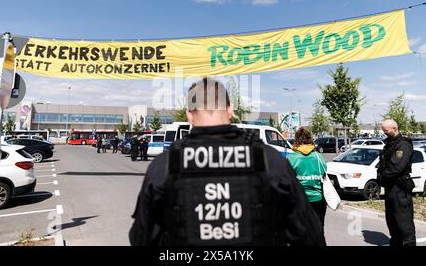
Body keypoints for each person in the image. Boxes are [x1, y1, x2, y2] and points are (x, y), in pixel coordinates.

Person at [129, 78, 325, 246]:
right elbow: (310, 235)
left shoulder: (164, 165)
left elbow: (141, 238)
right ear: (230, 110)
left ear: (189, 114)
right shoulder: (269, 160)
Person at [377, 119, 416, 246]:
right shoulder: (389, 144)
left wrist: (382, 177)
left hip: (400, 189)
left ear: (394, 128)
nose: (384, 133)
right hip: (390, 188)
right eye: (383, 130)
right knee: (392, 222)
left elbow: (396, 167)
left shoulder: (403, 145)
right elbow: (383, 163)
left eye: (386, 130)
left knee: (404, 224)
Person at [287, 127, 327, 236]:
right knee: (319, 231)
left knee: (300, 234)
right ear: (310, 139)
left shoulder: (292, 158)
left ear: (296, 140)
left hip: (299, 201)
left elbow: (287, 180)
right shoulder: (318, 157)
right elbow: (324, 173)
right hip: (318, 200)